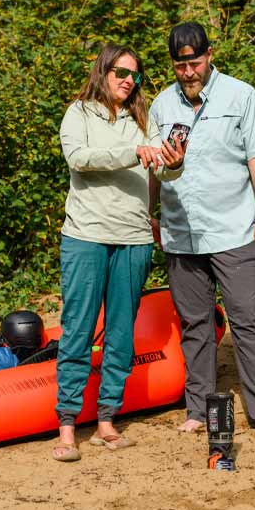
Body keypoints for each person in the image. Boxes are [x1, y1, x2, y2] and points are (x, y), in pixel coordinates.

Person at [148, 22, 255, 444]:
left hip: (233, 230)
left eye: (194, 62)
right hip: (180, 233)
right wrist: (150, 214)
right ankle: (198, 408)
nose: (188, 71)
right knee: (195, 324)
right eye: (180, 65)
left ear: (210, 55)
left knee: (247, 321)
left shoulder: (240, 95)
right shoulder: (161, 105)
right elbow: (153, 166)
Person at [53, 44, 186, 462]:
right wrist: (132, 152)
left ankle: (107, 419)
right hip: (86, 236)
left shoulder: (142, 120)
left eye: (135, 75)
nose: (129, 80)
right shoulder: (78, 113)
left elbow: (160, 169)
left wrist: (174, 162)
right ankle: (67, 425)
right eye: (121, 72)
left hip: (133, 238)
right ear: (103, 71)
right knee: (78, 329)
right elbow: (78, 158)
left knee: (121, 333)